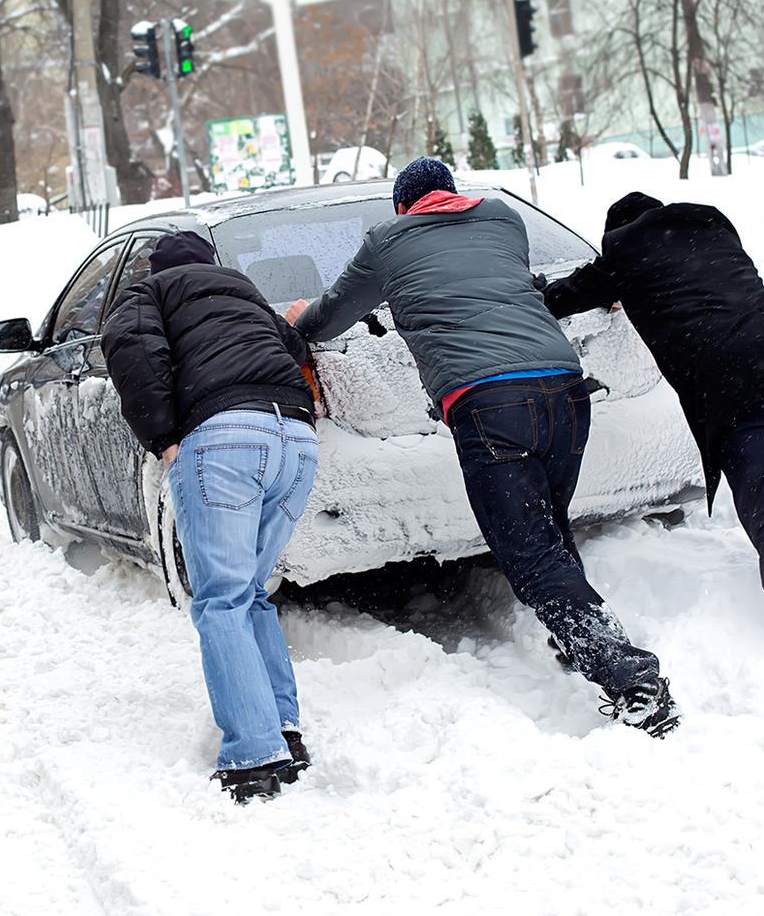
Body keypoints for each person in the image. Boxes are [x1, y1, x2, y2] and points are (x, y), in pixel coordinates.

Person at [287, 157, 679, 737]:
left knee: (529, 556)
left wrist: (300, 319)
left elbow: (330, 318)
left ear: (403, 206)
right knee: (547, 529)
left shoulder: (387, 241)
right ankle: (582, 639)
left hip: (490, 405)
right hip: (566, 393)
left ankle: (629, 678)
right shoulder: (503, 219)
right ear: (453, 194)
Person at [542, 192, 764, 644]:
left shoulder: (623, 254)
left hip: (738, 375)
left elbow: (558, 298)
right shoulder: (711, 224)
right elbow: (699, 277)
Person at [101, 231, 319, 803]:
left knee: (221, 598)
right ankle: (283, 730)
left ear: (157, 267)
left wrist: (163, 436)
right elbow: (295, 350)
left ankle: (253, 754)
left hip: (225, 439)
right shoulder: (246, 292)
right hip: (296, 440)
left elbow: (130, 349)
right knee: (250, 592)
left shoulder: (148, 293)